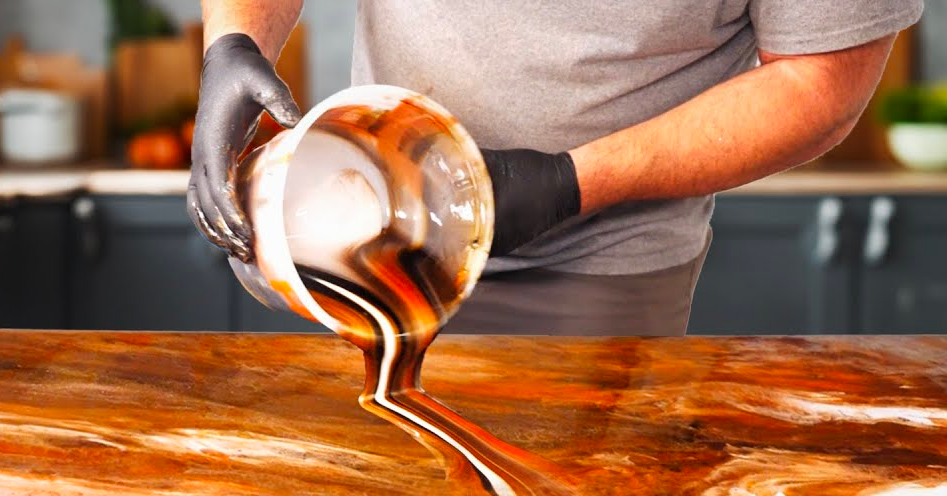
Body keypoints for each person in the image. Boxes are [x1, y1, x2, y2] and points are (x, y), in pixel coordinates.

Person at [187, 1, 924, 336]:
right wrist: (235, 42)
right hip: (363, 246)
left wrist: (573, 184)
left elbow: (819, 85)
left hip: (594, 278)